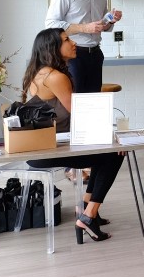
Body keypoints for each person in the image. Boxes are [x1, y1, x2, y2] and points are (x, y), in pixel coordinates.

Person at [20, 28, 125, 243]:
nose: (74, 43)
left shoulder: (39, 72)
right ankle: (88, 215)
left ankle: (86, 210)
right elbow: (80, 115)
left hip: (42, 147)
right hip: (48, 151)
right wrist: (113, 137)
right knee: (114, 154)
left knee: (106, 154)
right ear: (52, 48)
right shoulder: (56, 77)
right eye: (67, 40)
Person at [44, 0, 122, 93]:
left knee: (94, 102)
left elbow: (102, 26)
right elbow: (50, 24)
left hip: (96, 55)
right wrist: (84, 28)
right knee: (75, 103)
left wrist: (111, 20)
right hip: (73, 56)